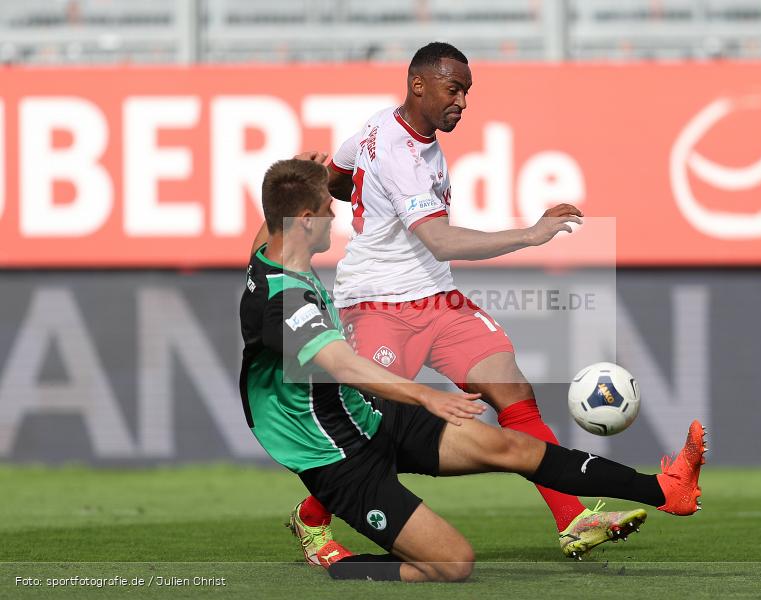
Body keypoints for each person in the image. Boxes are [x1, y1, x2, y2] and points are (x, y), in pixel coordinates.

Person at [240, 157, 706, 583]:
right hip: (336, 455)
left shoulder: (275, 254)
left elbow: (272, 225)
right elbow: (343, 363)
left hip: (371, 415)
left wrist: (298, 176)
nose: (335, 215)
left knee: (514, 447)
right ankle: (338, 567)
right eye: (326, 207)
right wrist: (427, 395)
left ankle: (665, 490)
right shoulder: (284, 302)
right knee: (452, 564)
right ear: (303, 221)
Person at [294, 41, 639, 561]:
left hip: (436, 298)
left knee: (514, 392)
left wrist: (340, 187)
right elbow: (443, 241)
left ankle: (574, 519)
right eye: (454, 89)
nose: (462, 101)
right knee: (380, 426)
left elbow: (340, 178)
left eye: (467, 92)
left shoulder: (380, 127)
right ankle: (311, 517)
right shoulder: (396, 149)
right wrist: (527, 235)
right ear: (419, 85)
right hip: (376, 301)